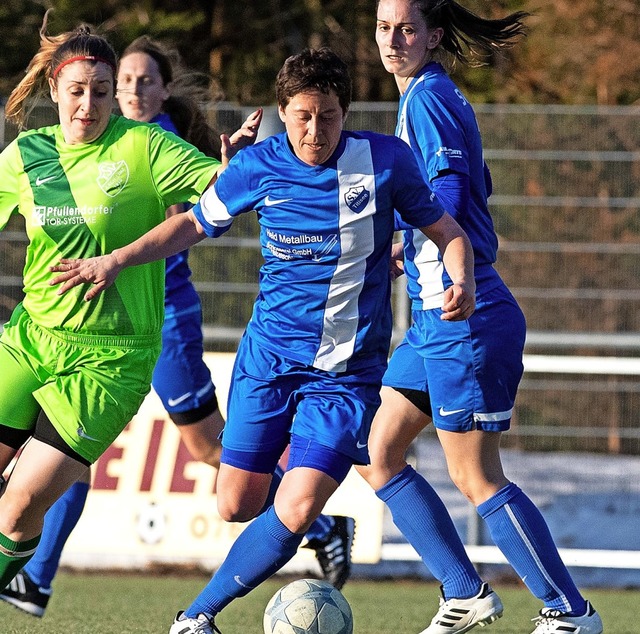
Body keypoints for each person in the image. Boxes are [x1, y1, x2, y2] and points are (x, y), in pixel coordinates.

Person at [49, 46, 476, 634]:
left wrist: (463, 276)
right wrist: (118, 259)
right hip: (267, 363)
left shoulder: (385, 161)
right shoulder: (262, 165)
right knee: (235, 504)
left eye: (328, 115)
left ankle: (195, 617)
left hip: (344, 376)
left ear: (344, 112)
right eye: (301, 115)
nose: (314, 129)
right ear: (282, 111)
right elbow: (192, 224)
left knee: (297, 505)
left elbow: (447, 229)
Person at [0, 35, 352, 619]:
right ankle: (34, 582)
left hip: (109, 361)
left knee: (18, 508)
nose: (89, 106)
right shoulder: (25, 156)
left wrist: (231, 166)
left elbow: (222, 190)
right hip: (29, 340)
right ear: (53, 92)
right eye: (76, 92)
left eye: (102, 92)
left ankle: (31, 581)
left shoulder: (144, 146)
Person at [355, 2, 604, 634]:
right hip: (435, 317)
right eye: (384, 27)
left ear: (434, 36)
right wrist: (399, 248)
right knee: (374, 449)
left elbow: (450, 194)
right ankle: (466, 594)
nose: (393, 39)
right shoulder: (428, 95)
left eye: (407, 28)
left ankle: (569, 612)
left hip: (462, 310)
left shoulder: (429, 98)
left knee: (475, 474)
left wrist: (447, 263)